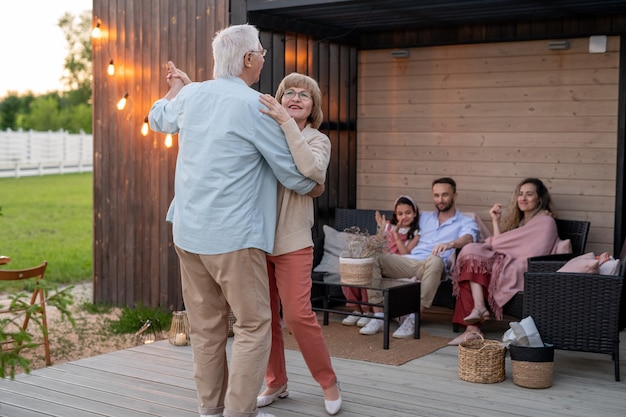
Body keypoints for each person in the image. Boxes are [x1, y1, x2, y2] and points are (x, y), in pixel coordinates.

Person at [148, 24, 320, 417]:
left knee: (206, 327)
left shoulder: (191, 95)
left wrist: (175, 89)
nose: (263, 58)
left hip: (188, 234)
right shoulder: (255, 105)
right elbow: (293, 175)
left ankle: (211, 410)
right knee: (254, 324)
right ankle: (241, 413)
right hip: (234, 238)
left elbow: (157, 117)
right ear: (247, 59)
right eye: (261, 52)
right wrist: (314, 184)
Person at [255, 73, 341, 416]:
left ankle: (328, 382)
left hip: (293, 242)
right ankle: (276, 380)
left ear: (313, 107)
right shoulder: (263, 133)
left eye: (302, 95)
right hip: (256, 240)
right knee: (264, 318)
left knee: (297, 315)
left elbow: (311, 170)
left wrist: (284, 123)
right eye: (287, 92)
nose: (293, 97)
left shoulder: (317, 139)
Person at [448, 178, 563, 346]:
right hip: (506, 261)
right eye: (520, 194)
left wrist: (493, 245)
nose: (523, 198)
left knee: (473, 263)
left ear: (540, 198)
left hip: (523, 266)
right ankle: (477, 312)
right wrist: (495, 221)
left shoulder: (546, 221)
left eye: (529, 194)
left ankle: (473, 328)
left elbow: (530, 250)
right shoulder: (521, 222)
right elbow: (502, 244)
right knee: (472, 260)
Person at [360, 177, 480, 338]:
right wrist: (384, 229)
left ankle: (413, 317)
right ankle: (379, 316)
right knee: (372, 257)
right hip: (410, 260)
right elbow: (402, 219)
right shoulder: (424, 217)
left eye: (445, 195)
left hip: (433, 265)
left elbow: (469, 238)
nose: (440, 200)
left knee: (436, 259)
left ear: (455, 195)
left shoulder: (465, 221)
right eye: (436, 195)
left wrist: (450, 243)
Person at [340, 195, 421, 327]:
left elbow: (405, 252)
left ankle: (368, 310)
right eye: (400, 213)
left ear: (415, 213)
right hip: (379, 259)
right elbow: (377, 244)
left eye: (408, 213)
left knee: (369, 271)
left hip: (394, 263)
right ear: (395, 214)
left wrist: (395, 233)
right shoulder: (388, 226)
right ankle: (356, 308)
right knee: (358, 269)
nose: (404, 217)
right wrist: (381, 230)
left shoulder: (415, 233)